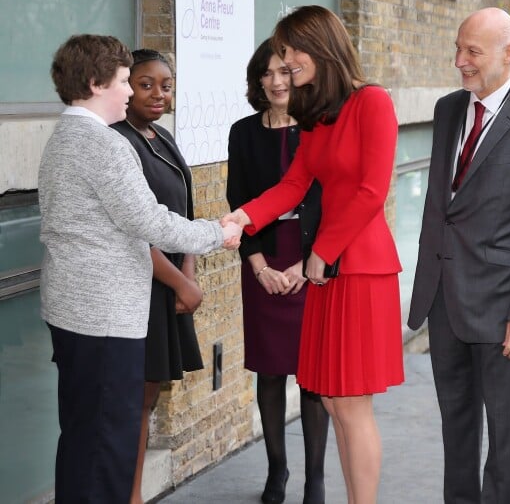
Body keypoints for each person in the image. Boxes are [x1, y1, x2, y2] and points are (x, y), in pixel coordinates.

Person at [39, 34, 241, 504]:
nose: (131, 92)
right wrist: (217, 233)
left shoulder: (66, 135)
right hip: (104, 319)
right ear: (95, 83)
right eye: (126, 81)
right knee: (107, 450)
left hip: (78, 314)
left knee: (84, 440)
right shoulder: (101, 144)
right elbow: (148, 221)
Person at [224, 6, 404, 504]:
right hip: (326, 270)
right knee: (329, 396)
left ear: (320, 47)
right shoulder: (317, 117)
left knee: (350, 404)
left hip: (360, 267)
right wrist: (245, 218)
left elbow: (371, 191)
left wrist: (320, 253)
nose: (285, 62)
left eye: (291, 52)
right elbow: (295, 183)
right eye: (280, 54)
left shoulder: (372, 102)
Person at [408, 8, 510, 503]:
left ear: (509, 53)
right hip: (445, 302)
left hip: (504, 312)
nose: (460, 61)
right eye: (459, 49)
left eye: (473, 52)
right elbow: (444, 207)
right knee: (456, 431)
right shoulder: (446, 111)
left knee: (509, 438)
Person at [226, 39, 329, 504]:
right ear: (257, 80)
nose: (276, 81)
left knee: (312, 376)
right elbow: (239, 202)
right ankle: (277, 472)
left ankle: (316, 480)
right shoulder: (243, 132)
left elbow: (330, 201)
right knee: (269, 372)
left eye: (284, 72)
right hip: (261, 258)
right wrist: (260, 266)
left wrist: (307, 266)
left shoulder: (319, 129)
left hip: (311, 259)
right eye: (266, 73)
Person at [110, 49, 206, 504]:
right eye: (146, 84)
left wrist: (188, 268)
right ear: (126, 87)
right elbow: (132, 230)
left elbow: (183, 211)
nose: (158, 94)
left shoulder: (161, 137)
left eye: (165, 86)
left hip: (168, 283)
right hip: (138, 286)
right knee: (131, 404)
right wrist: (179, 282)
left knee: (146, 400)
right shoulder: (117, 141)